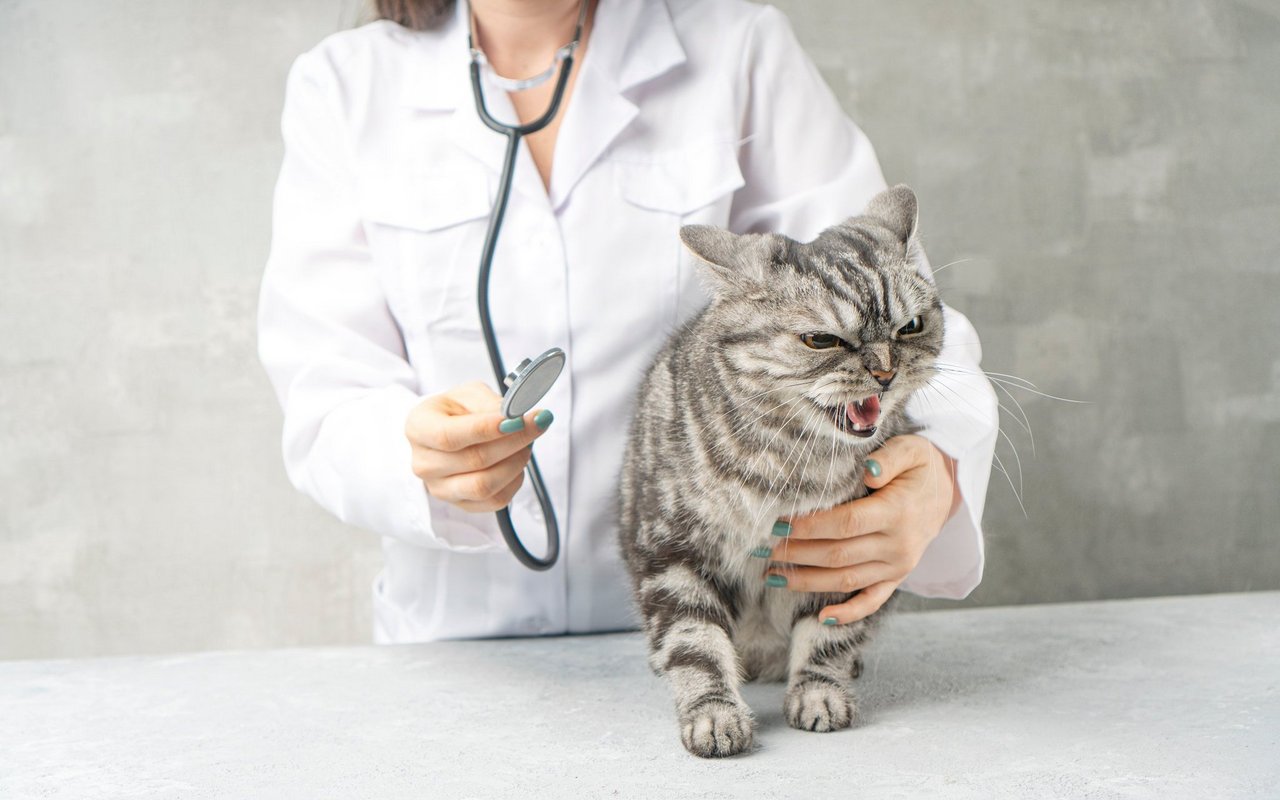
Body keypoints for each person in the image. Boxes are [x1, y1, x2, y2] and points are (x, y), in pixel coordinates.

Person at [257, 0, 999, 643]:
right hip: (455, 649)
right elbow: (327, 384)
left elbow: (893, 305)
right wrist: (416, 453)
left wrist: (940, 473)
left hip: (721, 637)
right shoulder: (342, 86)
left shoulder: (740, 51)